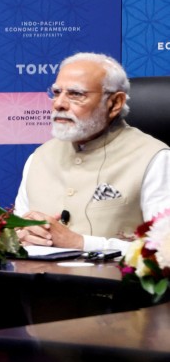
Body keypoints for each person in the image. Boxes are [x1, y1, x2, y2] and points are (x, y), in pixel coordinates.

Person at [15, 52, 170, 252]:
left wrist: (82, 243)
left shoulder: (155, 158)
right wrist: (21, 234)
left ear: (115, 103)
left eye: (76, 94)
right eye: (56, 92)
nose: (58, 103)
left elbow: (165, 249)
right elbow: (18, 234)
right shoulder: (38, 158)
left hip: (112, 283)